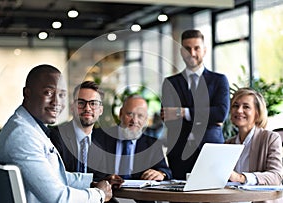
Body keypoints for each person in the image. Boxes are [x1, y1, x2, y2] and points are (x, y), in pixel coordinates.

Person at [0, 64, 112, 203]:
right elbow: (58, 198)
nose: (56, 102)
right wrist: (99, 194)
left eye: (61, 95)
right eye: (48, 93)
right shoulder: (22, 136)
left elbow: (55, 176)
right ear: (27, 93)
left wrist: (91, 182)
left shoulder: (32, 127)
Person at [161, 29, 230, 180]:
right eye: (187, 48)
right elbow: (169, 118)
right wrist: (207, 117)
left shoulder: (219, 80)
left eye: (196, 48)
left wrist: (183, 112)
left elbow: (221, 113)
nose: (192, 53)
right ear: (181, 51)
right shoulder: (170, 83)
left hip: (211, 151)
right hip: (179, 153)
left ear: (204, 50)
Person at [90, 95, 172, 203]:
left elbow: (166, 171)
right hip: (106, 198)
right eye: (130, 114)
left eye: (140, 116)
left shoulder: (152, 144)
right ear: (120, 114)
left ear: (146, 120)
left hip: (140, 199)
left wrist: (161, 174)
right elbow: (89, 171)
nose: (135, 120)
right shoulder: (100, 137)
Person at [226, 87, 283, 203]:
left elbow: (276, 176)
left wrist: (241, 178)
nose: (239, 110)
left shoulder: (270, 138)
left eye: (246, 107)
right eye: (235, 106)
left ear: (257, 113)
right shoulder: (228, 144)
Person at [50, 81, 105, 173]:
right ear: (72, 107)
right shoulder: (56, 136)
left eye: (93, 103)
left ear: (101, 110)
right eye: (81, 102)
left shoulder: (101, 142)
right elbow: (57, 177)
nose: (87, 108)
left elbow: (99, 178)